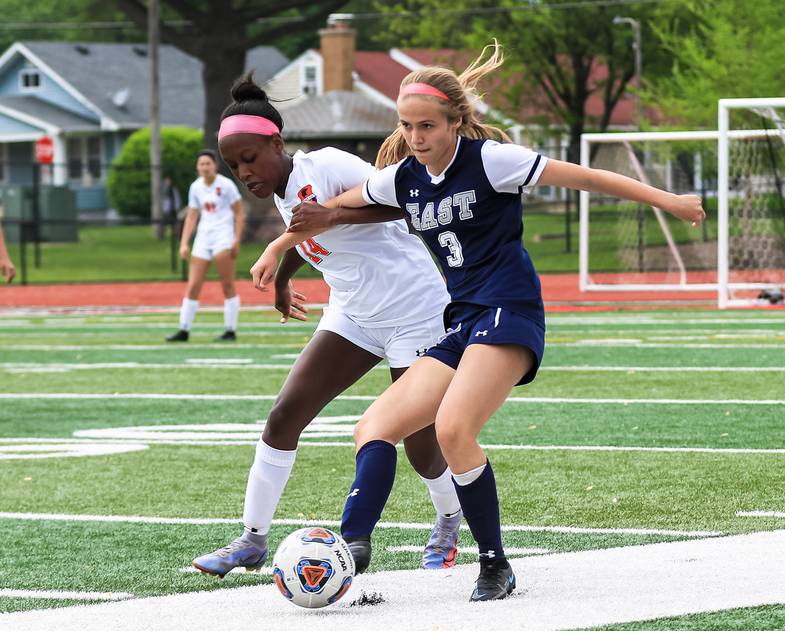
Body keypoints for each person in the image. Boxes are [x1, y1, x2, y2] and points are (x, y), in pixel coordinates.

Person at [253, 43, 706, 601]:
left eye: (427, 126)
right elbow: (330, 209)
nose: (416, 138)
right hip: (463, 320)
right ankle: (353, 548)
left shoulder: (493, 161)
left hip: (511, 312)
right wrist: (281, 244)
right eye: (407, 127)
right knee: (372, 427)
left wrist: (672, 201)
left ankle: (494, 564)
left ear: (456, 122)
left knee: (451, 429)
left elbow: (587, 178)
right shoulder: (403, 178)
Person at [191, 74, 462, 577]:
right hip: (353, 315)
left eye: (250, 158)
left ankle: (449, 520)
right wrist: (281, 281)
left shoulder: (329, 164)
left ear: (277, 143)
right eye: (234, 166)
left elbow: (405, 200)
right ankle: (251, 540)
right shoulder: (280, 190)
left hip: (416, 312)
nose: (244, 172)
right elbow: (304, 232)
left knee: (420, 445)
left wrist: (332, 219)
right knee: (284, 416)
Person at [166, 150, 244, 342]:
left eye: (208, 163)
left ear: (215, 165)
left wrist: (236, 239)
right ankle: (184, 329)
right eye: (201, 164)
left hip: (223, 237)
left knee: (227, 284)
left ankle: (230, 330)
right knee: (193, 285)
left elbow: (239, 213)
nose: (205, 167)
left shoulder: (226, 185)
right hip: (203, 239)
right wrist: (184, 243)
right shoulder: (196, 187)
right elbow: (192, 216)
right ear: (197, 167)